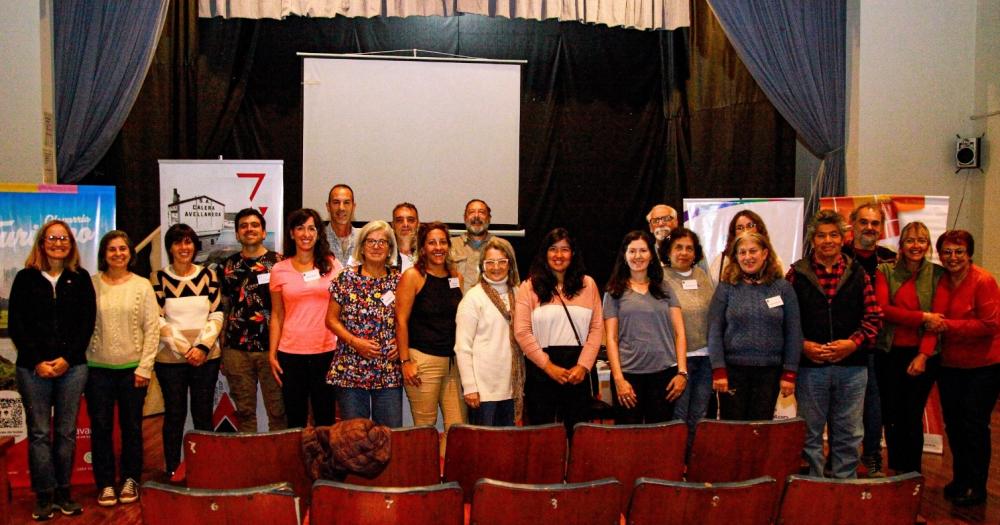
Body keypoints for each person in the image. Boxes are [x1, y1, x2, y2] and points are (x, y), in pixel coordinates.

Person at [9, 220, 95, 520]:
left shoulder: (81, 278)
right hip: (33, 370)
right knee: (39, 433)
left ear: (71, 243)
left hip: (72, 367)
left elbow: (87, 324)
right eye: (52, 238)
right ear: (42, 242)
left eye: (64, 238)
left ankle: (64, 492)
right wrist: (37, 361)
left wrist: (67, 359)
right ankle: (44, 496)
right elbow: (16, 326)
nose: (58, 242)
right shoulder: (25, 279)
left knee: (66, 432)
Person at [787, 209, 882, 478]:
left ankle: (844, 492)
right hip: (810, 369)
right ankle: (815, 493)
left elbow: (874, 317)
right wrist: (803, 345)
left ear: (843, 239)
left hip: (852, 368)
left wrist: (852, 344)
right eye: (821, 236)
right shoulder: (796, 274)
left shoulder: (858, 273)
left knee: (849, 435)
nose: (827, 240)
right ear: (812, 240)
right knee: (810, 435)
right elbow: (785, 321)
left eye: (833, 235)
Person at [925, 230, 1000, 506]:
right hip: (951, 365)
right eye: (947, 252)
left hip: (984, 366)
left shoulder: (983, 281)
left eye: (959, 252)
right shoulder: (942, 280)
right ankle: (960, 478)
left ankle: (977, 485)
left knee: (975, 425)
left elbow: (990, 324)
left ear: (969, 254)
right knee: (954, 425)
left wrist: (947, 325)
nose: (953, 257)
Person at [86, 231, 158, 507]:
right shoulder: (91, 284)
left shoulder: (142, 286)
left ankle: (130, 479)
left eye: (123, 249)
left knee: (132, 428)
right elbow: (81, 327)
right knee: (101, 428)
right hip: (97, 370)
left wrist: (144, 368)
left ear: (130, 253)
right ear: (104, 254)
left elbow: (152, 329)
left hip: (133, 371)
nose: (118, 253)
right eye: (112, 249)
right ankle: (104, 483)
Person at [513, 228, 603, 435]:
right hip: (541, 369)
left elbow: (597, 328)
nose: (559, 255)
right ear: (545, 253)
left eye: (565, 249)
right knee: (541, 434)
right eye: (553, 249)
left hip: (578, 370)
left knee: (578, 434)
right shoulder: (529, 287)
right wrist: (548, 366)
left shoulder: (588, 285)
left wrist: (583, 366)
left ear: (573, 253)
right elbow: (522, 332)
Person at [152, 223, 223, 477]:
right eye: (178, 242)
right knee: (174, 414)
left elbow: (216, 313)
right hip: (170, 360)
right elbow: (157, 319)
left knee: (203, 414)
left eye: (189, 242)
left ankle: (205, 468)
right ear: (170, 247)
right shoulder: (158, 278)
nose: (184, 247)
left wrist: (202, 347)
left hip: (206, 358)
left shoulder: (208, 276)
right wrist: (186, 349)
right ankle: (172, 468)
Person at [873, 221, 943, 476]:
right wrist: (922, 317)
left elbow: (939, 321)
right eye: (911, 240)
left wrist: (923, 355)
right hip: (889, 353)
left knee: (912, 415)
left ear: (928, 245)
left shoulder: (937, 275)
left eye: (922, 240)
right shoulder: (885, 271)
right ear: (901, 245)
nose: (916, 246)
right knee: (891, 414)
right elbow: (883, 310)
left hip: (922, 355)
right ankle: (896, 471)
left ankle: (912, 473)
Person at [708, 232, 800, 420]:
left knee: (760, 430)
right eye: (742, 253)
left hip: (770, 373)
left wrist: (790, 372)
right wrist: (718, 369)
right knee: (733, 431)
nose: (747, 257)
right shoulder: (726, 288)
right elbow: (714, 331)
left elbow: (793, 332)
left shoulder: (783, 288)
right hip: (732, 372)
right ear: (736, 257)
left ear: (765, 253)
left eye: (753, 251)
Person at [603, 230, 687, 424]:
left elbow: (679, 333)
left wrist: (682, 372)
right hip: (628, 378)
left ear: (652, 255)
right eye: (632, 251)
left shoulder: (665, 288)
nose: (638, 256)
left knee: (660, 440)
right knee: (628, 441)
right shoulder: (613, 292)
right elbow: (611, 339)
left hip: (664, 377)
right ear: (624, 255)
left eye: (643, 250)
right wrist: (618, 380)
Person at [269, 208, 342, 428]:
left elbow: (342, 310)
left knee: (325, 417)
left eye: (312, 228)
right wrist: (272, 353)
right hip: (290, 354)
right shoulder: (279, 270)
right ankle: (298, 463)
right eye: (300, 228)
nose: (306, 233)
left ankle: (324, 463)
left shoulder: (332, 266)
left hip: (326, 351)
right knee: (295, 418)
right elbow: (277, 315)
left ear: (319, 233)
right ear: (291, 233)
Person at [325, 220, 403, 427]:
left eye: (382, 242)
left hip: (387, 368)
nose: (376, 246)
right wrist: (355, 342)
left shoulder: (399, 281)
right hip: (351, 367)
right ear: (362, 246)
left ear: (390, 249)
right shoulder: (345, 278)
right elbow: (331, 320)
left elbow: (407, 320)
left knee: (389, 434)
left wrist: (399, 342)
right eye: (371, 241)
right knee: (353, 437)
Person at [397, 222, 467, 437]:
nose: (438, 247)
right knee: (425, 430)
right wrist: (405, 362)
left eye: (443, 242)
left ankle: (447, 472)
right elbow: (400, 320)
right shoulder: (413, 276)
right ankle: (422, 471)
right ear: (423, 247)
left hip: (453, 364)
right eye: (432, 243)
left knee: (457, 430)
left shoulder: (455, 276)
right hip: (423, 363)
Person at [220, 208, 286, 433]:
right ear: (237, 233)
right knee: (245, 412)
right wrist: (222, 349)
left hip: (272, 350)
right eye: (244, 226)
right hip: (236, 350)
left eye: (255, 225)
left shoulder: (279, 263)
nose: (249, 229)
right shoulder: (227, 266)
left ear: (264, 232)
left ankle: (278, 464)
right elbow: (225, 307)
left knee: (278, 412)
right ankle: (250, 463)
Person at [844, 201, 897, 477]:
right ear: (852, 225)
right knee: (842, 404)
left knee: (874, 404)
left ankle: (873, 454)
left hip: (877, 345)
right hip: (845, 342)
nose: (869, 228)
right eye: (864, 222)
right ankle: (842, 458)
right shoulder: (837, 254)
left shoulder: (890, 259)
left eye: (875, 223)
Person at [455, 238, 524, 426]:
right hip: (483, 390)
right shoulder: (473, 298)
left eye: (502, 262)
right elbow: (462, 347)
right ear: (482, 266)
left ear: (510, 265)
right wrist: (470, 387)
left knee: (506, 446)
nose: (496, 267)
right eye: (490, 262)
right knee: (484, 448)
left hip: (511, 387)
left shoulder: (518, 294)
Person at [661, 228, 715, 442]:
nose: (683, 252)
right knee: (679, 416)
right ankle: (674, 465)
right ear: (668, 251)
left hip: (706, 358)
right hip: (678, 360)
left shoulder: (702, 276)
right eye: (678, 247)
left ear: (696, 253)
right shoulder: (660, 278)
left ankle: (691, 465)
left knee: (699, 415)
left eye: (689, 248)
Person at [449, 199, 517, 294]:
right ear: (465, 218)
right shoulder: (451, 245)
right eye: (472, 212)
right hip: (458, 305)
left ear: (489, 219)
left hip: (494, 305)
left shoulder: (503, 245)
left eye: (481, 212)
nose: (476, 216)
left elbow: (514, 281)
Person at [708, 210, 784, 285]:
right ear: (734, 233)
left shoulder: (774, 260)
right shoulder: (722, 260)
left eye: (750, 226)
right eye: (740, 228)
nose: (745, 230)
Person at [325, 184, 360, 265]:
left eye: (346, 203)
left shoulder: (363, 238)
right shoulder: (318, 238)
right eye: (336, 202)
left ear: (353, 207)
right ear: (328, 207)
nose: (341, 208)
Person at [391, 202, 419, 272]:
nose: (405, 224)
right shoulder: (385, 255)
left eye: (410, 220)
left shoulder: (426, 254)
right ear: (393, 225)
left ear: (418, 224)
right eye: (399, 220)